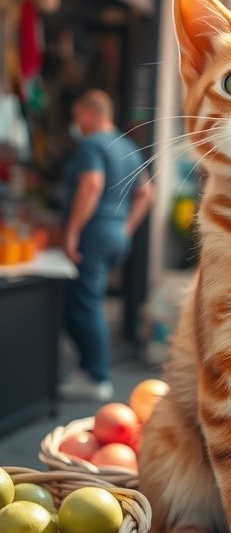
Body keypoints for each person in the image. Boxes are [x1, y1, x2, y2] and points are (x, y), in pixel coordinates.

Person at [59, 90, 154, 400]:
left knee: (86, 304)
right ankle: (89, 368)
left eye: (77, 117)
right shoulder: (127, 146)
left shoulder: (91, 145)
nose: (77, 124)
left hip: (94, 234)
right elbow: (146, 193)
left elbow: (91, 185)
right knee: (84, 301)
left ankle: (97, 377)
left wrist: (72, 232)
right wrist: (125, 228)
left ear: (88, 114)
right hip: (116, 236)